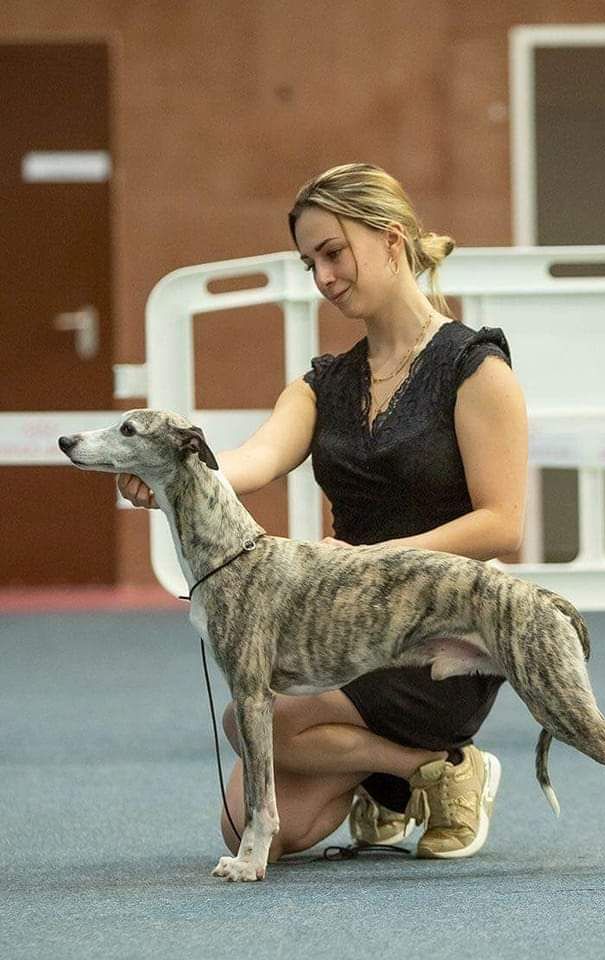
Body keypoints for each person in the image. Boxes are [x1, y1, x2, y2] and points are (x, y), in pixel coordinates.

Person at [118, 162, 528, 864]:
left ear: (391, 239)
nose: (323, 278)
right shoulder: (322, 383)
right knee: (257, 831)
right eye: (310, 263)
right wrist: (177, 471)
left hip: (437, 638)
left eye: (333, 254)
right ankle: (416, 772)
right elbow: (253, 458)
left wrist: (374, 562)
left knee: (258, 724)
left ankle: (433, 761)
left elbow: (502, 525)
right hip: (334, 635)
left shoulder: (475, 368)